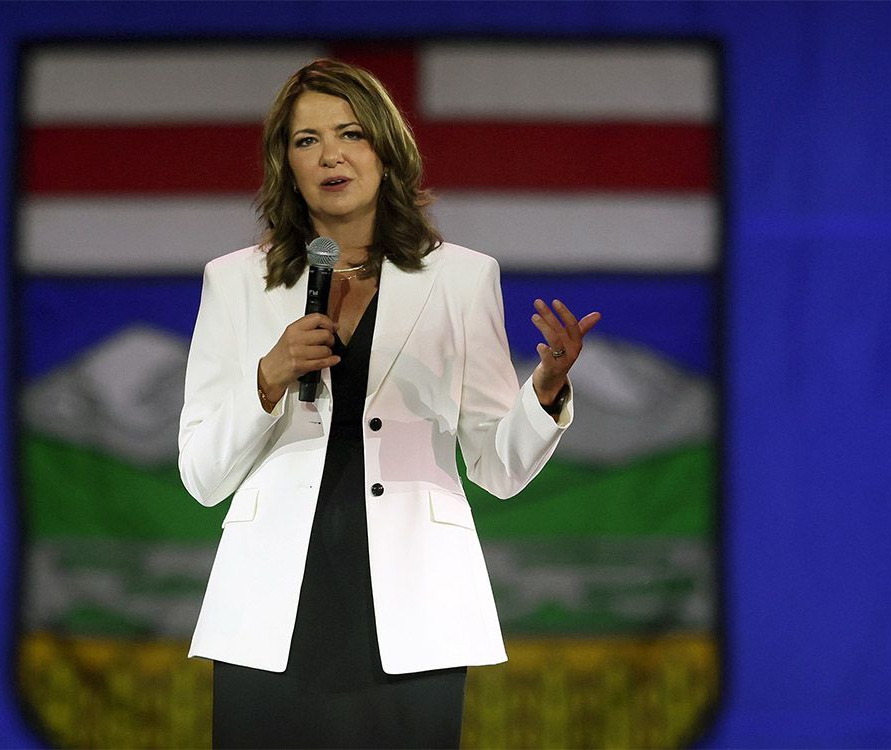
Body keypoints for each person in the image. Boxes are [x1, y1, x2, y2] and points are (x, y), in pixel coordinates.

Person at [177, 59, 601, 749]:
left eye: (350, 133)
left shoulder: (463, 279)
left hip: (414, 607)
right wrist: (268, 375)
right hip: (271, 608)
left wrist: (546, 390)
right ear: (285, 162)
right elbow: (201, 475)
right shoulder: (235, 283)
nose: (331, 155)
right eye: (306, 140)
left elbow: (496, 466)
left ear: (386, 147)